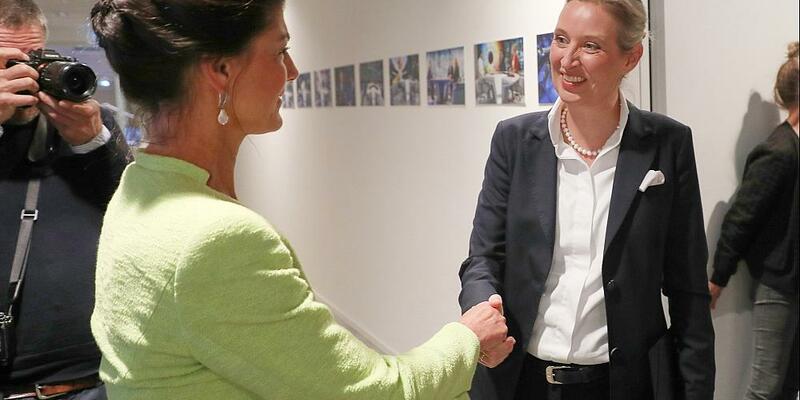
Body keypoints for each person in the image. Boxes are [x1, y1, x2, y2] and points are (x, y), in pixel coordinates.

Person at [87, 0, 514, 399]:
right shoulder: (214, 239)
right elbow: (372, 392)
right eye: (280, 51)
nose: (291, 72)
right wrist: (467, 339)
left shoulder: (139, 186)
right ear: (221, 69)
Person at [458, 1, 715, 399]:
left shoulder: (668, 144)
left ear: (631, 58)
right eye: (561, 40)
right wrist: (483, 308)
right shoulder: (514, 141)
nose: (567, 60)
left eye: (590, 46)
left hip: (624, 384)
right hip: (520, 381)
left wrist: (697, 391)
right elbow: (483, 258)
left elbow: (688, 290)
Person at [0, 1, 131, 399]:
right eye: (9, 65)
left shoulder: (88, 121)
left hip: (91, 379)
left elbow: (134, 215)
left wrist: (93, 143)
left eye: (34, 60)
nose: (26, 77)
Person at [708, 42, 799, 400]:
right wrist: (718, 278)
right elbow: (741, 218)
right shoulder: (779, 151)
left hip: (791, 283)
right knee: (766, 387)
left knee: (787, 384)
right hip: (778, 285)